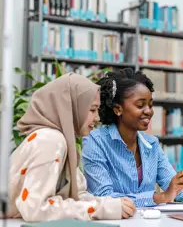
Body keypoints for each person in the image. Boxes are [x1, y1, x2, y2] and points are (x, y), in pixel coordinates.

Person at [7, 73, 136, 222]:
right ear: (71, 107)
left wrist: (110, 205)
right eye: (92, 110)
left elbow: (77, 196)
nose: (97, 118)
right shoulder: (50, 140)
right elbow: (36, 209)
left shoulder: (63, 142)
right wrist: (104, 209)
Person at [81, 68, 183, 207]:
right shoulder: (95, 141)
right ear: (118, 109)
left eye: (150, 105)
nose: (148, 111)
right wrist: (160, 197)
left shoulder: (152, 143)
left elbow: (171, 183)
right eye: (140, 105)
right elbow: (103, 196)